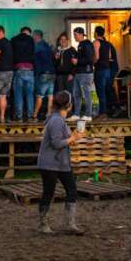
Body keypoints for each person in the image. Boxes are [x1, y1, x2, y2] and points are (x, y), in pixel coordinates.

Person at [37, 91, 85, 235]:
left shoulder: (58, 119)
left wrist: (74, 137)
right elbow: (57, 143)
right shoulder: (56, 120)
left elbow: (65, 140)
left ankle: (70, 224)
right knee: (48, 193)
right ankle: (43, 225)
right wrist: (72, 139)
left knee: (72, 190)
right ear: (69, 105)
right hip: (49, 163)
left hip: (61, 162)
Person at [11, 26, 36, 122]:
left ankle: (19, 116)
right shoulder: (31, 40)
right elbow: (33, 53)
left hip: (18, 68)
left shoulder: (14, 39)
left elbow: (12, 54)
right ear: (27, 32)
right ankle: (30, 116)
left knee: (18, 94)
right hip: (29, 69)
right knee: (29, 94)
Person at [71, 27, 95, 122]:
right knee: (76, 94)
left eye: (75, 35)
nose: (74, 37)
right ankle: (76, 114)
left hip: (86, 73)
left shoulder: (87, 44)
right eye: (74, 35)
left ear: (81, 34)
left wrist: (77, 61)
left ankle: (88, 115)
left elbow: (90, 59)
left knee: (87, 94)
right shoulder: (80, 45)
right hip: (79, 73)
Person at [33, 30, 56, 120]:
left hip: (43, 73)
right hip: (52, 73)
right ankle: (49, 114)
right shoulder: (47, 45)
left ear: (36, 36)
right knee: (50, 95)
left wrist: (37, 74)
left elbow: (36, 61)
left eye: (33, 36)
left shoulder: (38, 46)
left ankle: (34, 115)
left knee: (39, 96)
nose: (33, 38)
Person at [92, 26, 113, 118]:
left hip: (100, 70)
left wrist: (92, 63)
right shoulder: (108, 43)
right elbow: (109, 56)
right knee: (106, 90)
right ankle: (106, 111)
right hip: (107, 70)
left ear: (96, 33)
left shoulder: (96, 42)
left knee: (100, 92)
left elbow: (96, 56)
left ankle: (102, 113)